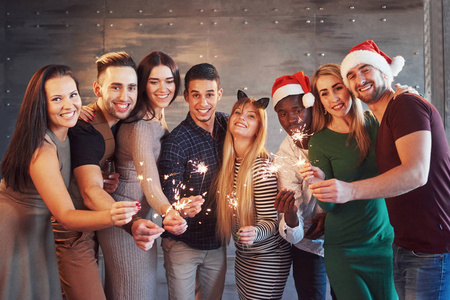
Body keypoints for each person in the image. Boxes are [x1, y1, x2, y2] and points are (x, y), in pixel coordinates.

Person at [308, 40, 450, 299]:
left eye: (366, 70)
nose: (359, 79)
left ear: (385, 71)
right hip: (402, 245)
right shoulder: (390, 115)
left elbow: (416, 173)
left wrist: (349, 190)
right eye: (351, 75)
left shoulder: (402, 107)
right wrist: (324, 185)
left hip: (425, 246)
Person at [0, 64, 139, 300]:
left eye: (73, 95)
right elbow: (65, 215)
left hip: (36, 228)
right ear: (40, 105)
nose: (68, 105)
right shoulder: (42, 149)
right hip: (14, 229)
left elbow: (58, 178)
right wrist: (112, 215)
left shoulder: (67, 131)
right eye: (56, 99)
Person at [55, 52, 164, 299]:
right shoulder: (85, 126)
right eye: (116, 87)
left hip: (92, 224)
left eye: (131, 87)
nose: (125, 97)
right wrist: (132, 222)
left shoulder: (122, 122)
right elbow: (89, 191)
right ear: (98, 89)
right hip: (72, 231)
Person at [93, 51, 191, 300]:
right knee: (133, 292)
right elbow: (148, 181)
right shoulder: (140, 126)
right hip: (125, 217)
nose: (163, 88)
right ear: (143, 84)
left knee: (137, 290)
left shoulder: (156, 116)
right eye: (154, 81)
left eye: (169, 81)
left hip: (141, 217)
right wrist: (170, 212)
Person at [300, 63, 397, 299]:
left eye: (337, 88)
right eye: (324, 93)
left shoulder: (376, 123)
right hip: (344, 249)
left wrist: (405, 94)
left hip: (385, 244)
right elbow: (330, 207)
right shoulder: (320, 142)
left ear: (350, 88)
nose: (333, 98)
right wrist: (321, 184)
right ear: (319, 101)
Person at [156, 63, 228, 300]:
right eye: (195, 95)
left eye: (209, 94)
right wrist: (180, 205)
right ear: (186, 96)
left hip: (217, 242)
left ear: (219, 93)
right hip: (182, 244)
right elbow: (167, 193)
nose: (203, 102)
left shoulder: (229, 127)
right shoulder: (176, 141)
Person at [215, 90, 291, 299]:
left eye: (251, 116)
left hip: (268, 257)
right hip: (245, 255)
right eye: (238, 112)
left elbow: (272, 221)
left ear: (259, 128)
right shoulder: (230, 165)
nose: (241, 118)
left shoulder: (261, 168)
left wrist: (255, 232)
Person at [271, 72, 331, 300]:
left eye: (298, 110)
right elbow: (294, 235)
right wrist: (291, 217)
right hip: (308, 244)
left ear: (310, 106)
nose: (291, 119)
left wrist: (329, 212)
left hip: (344, 237)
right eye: (283, 113)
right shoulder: (284, 156)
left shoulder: (333, 135)